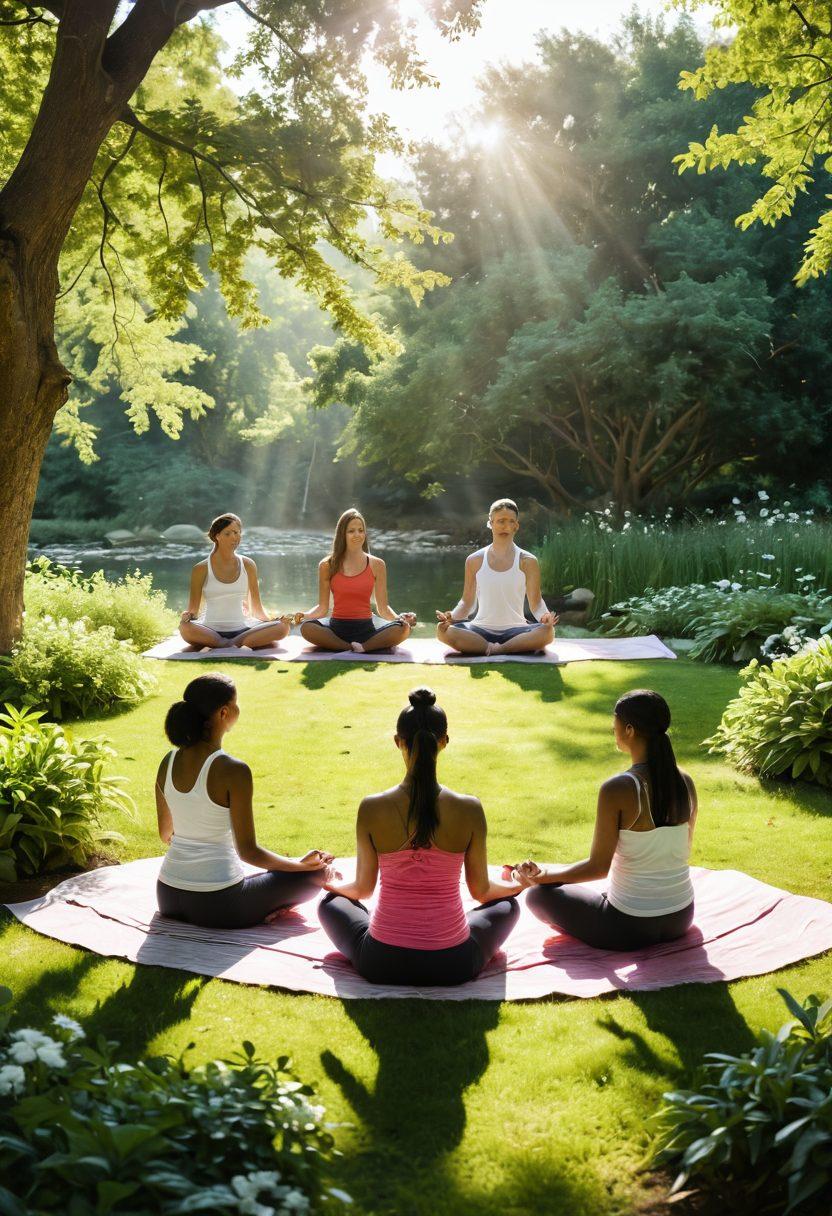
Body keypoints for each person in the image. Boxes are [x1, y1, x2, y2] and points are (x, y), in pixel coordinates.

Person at [318, 687, 522, 986]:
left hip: (381, 962)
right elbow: (481, 892)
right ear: (444, 742)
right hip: (453, 964)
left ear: (397, 741)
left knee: (330, 903)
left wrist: (329, 881)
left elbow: (362, 890)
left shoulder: (372, 807)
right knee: (507, 905)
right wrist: (517, 884)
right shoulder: (469, 809)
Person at [512, 689, 697, 951]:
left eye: (615, 725)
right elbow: (683, 848)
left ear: (630, 729)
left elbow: (598, 868)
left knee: (537, 897)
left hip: (628, 926)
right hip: (681, 917)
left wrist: (543, 877)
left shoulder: (618, 788)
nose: (613, 730)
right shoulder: (686, 782)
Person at [155, 673, 333, 928]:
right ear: (224, 712)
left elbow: (165, 833)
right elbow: (249, 852)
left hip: (168, 895)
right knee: (316, 874)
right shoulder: (233, 770)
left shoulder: (168, 761)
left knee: (277, 876)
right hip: (220, 906)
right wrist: (299, 867)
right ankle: (275, 901)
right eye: (237, 702)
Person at [436, 498, 559, 656]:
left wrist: (545, 616)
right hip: (479, 629)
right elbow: (467, 603)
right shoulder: (474, 560)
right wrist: (450, 617)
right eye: (501, 521)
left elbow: (536, 603)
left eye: (511, 521)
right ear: (491, 523)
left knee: (547, 632)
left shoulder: (528, 561)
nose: (506, 526)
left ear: (516, 526)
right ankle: (505, 648)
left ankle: (494, 649)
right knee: (442, 631)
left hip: (517, 630)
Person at [299, 508, 416, 653]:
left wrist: (400, 619)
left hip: (366, 630)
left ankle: (364, 647)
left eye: (361, 530)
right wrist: (301, 616)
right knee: (306, 627)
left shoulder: (377, 565)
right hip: (336, 629)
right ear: (342, 534)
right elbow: (322, 608)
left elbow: (383, 608)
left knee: (403, 629)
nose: (357, 535)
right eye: (351, 531)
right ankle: (349, 647)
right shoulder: (326, 565)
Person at [179, 513, 296, 650]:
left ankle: (223, 644)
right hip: (209, 630)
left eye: (237, 532)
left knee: (282, 627)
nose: (234, 537)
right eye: (228, 534)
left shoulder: (248, 564)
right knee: (185, 628)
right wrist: (187, 616)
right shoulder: (200, 568)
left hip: (243, 629)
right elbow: (193, 610)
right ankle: (233, 644)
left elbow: (257, 609)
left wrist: (273, 621)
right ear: (217, 536)